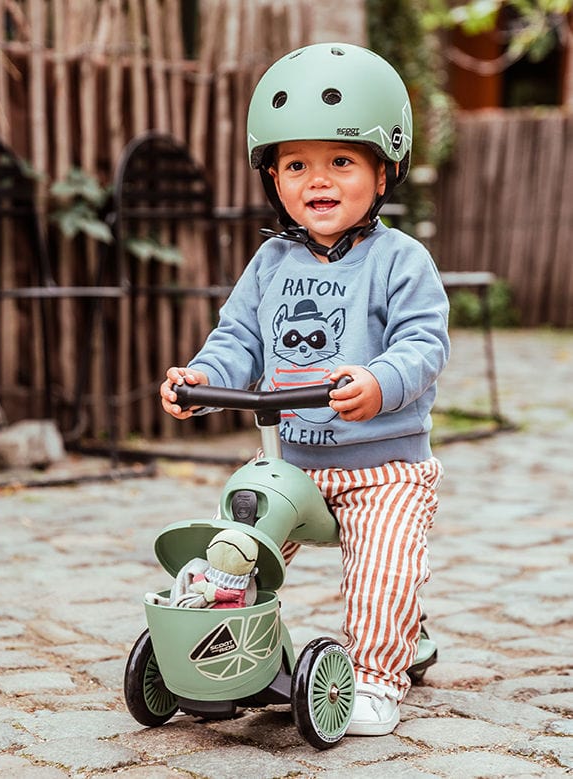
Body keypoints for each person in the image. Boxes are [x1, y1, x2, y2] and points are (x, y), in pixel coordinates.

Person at [159, 42, 450, 736]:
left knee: (380, 573)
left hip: (384, 470)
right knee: (233, 548)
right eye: (296, 164)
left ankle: (379, 674)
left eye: (340, 161)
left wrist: (379, 382)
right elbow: (237, 340)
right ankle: (218, 645)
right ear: (272, 176)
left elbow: (423, 346)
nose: (316, 180)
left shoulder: (401, 261)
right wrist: (203, 377)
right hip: (293, 465)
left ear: (383, 173)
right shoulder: (270, 262)